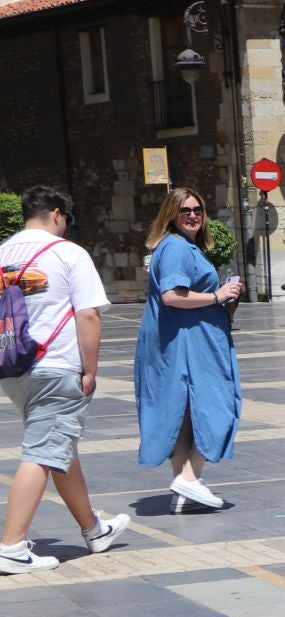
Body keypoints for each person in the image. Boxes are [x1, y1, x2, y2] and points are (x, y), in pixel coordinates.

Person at [0, 186, 129, 573]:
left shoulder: (3, 253)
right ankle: (12, 546)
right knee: (42, 452)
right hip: (56, 365)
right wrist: (90, 369)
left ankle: (94, 529)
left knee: (58, 444)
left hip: (14, 367)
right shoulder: (69, 253)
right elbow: (88, 315)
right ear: (57, 214)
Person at [135, 187, 243, 513]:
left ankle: (184, 491)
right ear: (172, 214)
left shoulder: (181, 247)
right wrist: (217, 296)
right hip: (184, 344)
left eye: (198, 209)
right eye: (185, 210)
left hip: (187, 340)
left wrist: (225, 300)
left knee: (184, 418)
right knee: (218, 406)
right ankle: (188, 479)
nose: (193, 215)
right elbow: (171, 296)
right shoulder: (176, 248)